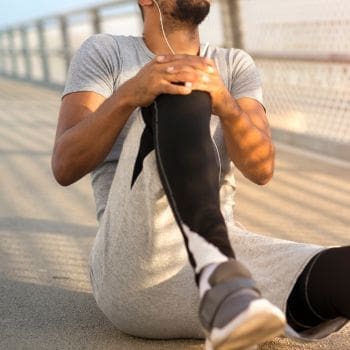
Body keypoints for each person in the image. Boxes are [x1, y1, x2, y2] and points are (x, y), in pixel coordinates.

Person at [52, 0, 350, 349]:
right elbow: (65, 165)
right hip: (136, 263)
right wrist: (130, 94)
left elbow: (261, 169)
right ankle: (218, 274)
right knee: (181, 82)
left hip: (232, 263)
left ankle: (223, 284)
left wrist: (224, 101)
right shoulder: (106, 51)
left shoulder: (234, 63)